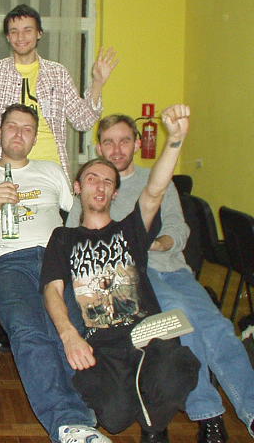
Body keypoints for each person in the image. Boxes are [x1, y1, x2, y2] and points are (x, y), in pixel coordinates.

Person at [66, 113, 254, 443]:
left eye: (125, 141)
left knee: (220, 328)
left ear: (138, 144)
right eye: (109, 142)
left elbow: (178, 229)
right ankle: (208, 415)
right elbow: (74, 240)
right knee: (183, 319)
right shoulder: (96, 186)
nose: (117, 149)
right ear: (99, 147)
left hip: (172, 269)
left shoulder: (157, 180)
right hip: (131, 278)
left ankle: (251, 412)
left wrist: (156, 242)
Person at [42, 105, 200, 441]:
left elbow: (154, 190)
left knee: (176, 372)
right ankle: (147, 403)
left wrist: (175, 140)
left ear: (115, 193)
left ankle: (153, 426)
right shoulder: (63, 237)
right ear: (77, 187)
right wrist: (69, 335)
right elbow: (52, 290)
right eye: (92, 179)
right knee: (114, 418)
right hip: (103, 342)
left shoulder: (130, 231)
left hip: (149, 332)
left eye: (108, 182)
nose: (99, 186)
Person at [0, 104, 109, 443]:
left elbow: (83, 213)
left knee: (73, 328)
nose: (19, 134)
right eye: (12, 126)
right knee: (29, 331)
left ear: (35, 138)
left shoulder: (51, 171)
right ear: (0, 132)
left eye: (27, 129)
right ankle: (70, 423)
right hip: (8, 263)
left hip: (58, 261)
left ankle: (85, 414)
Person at [0, 4, 118, 181]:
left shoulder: (57, 73)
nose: (21, 37)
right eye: (14, 31)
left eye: (27, 30)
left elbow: (83, 121)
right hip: (5, 171)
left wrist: (98, 82)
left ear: (39, 33)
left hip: (50, 171)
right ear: (7, 36)